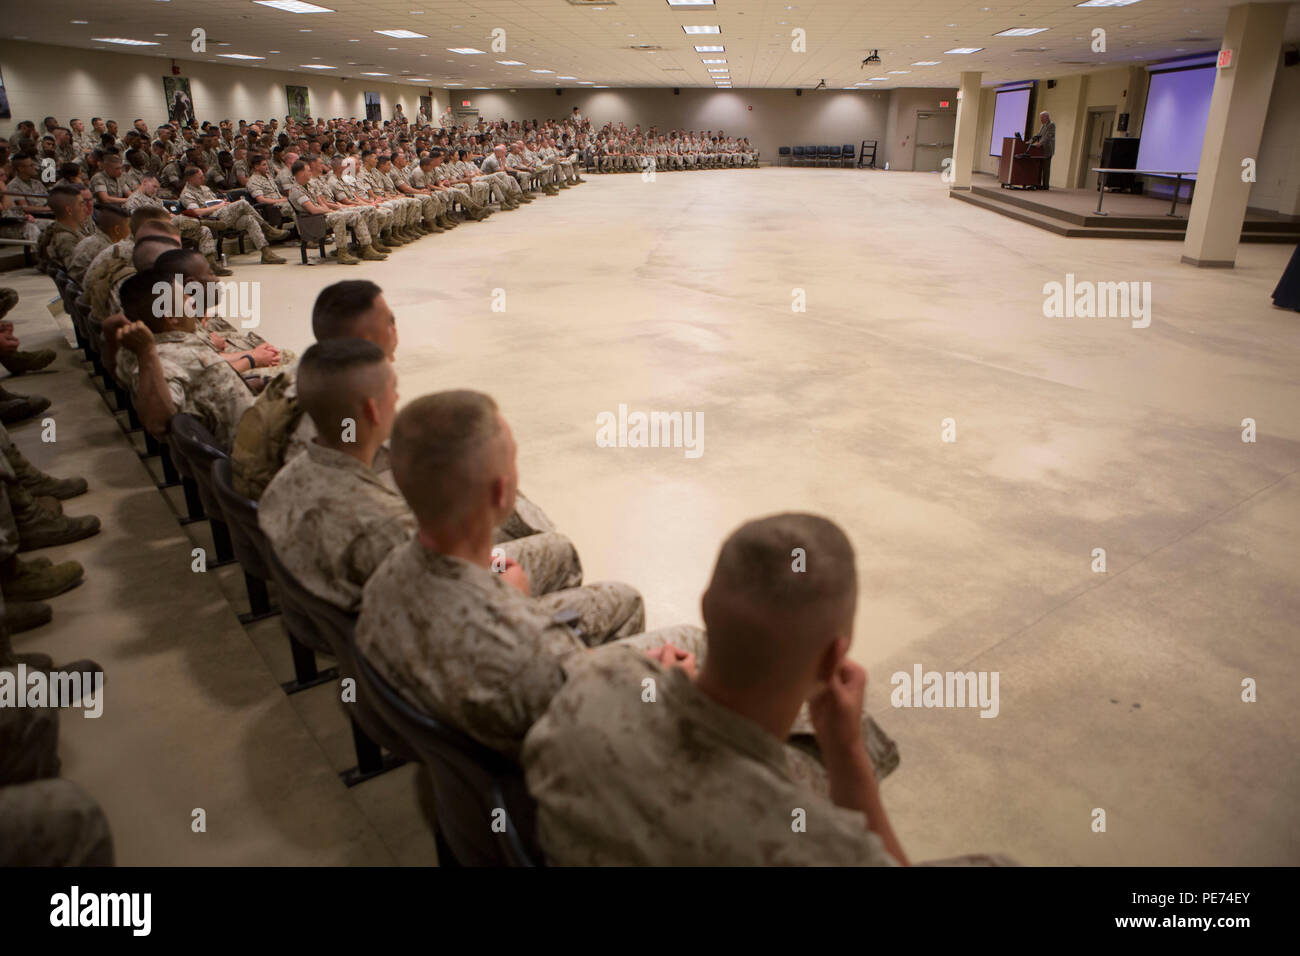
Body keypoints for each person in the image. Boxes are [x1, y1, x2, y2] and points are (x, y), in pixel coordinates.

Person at [524, 513, 1009, 866]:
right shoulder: (817, 843)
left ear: (706, 604)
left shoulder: (588, 687)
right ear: (833, 658)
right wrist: (845, 753)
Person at [356, 390, 703, 760]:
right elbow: (562, 684)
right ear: (502, 491)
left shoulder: (384, 575)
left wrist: (504, 597)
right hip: (547, 771)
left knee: (622, 597)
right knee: (693, 642)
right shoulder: (535, 650)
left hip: (453, 752)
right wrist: (660, 681)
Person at [113, 267, 255, 448]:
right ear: (171, 317)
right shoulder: (161, 359)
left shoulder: (131, 350)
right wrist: (147, 352)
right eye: (185, 298)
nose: (192, 301)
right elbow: (158, 423)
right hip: (253, 448)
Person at [178, 166, 288, 264]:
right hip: (212, 219)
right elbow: (196, 212)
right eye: (200, 177)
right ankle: (267, 229)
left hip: (224, 215)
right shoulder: (187, 194)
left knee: (249, 219)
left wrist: (225, 204)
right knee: (243, 203)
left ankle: (266, 253)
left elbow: (215, 201)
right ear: (190, 179)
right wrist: (219, 206)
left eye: (203, 176)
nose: (203, 179)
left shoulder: (205, 188)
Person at [1029, 111, 1055, 190]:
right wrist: (1031, 141)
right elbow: (1038, 135)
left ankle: (1045, 186)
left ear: (1046, 117)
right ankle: (1038, 184)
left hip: (1047, 150)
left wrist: (1040, 143)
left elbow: (1048, 136)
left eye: (1041, 118)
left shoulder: (1051, 125)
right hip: (1040, 150)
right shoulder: (1043, 126)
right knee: (1039, 167)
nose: (1040, 119)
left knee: (1046, 169)